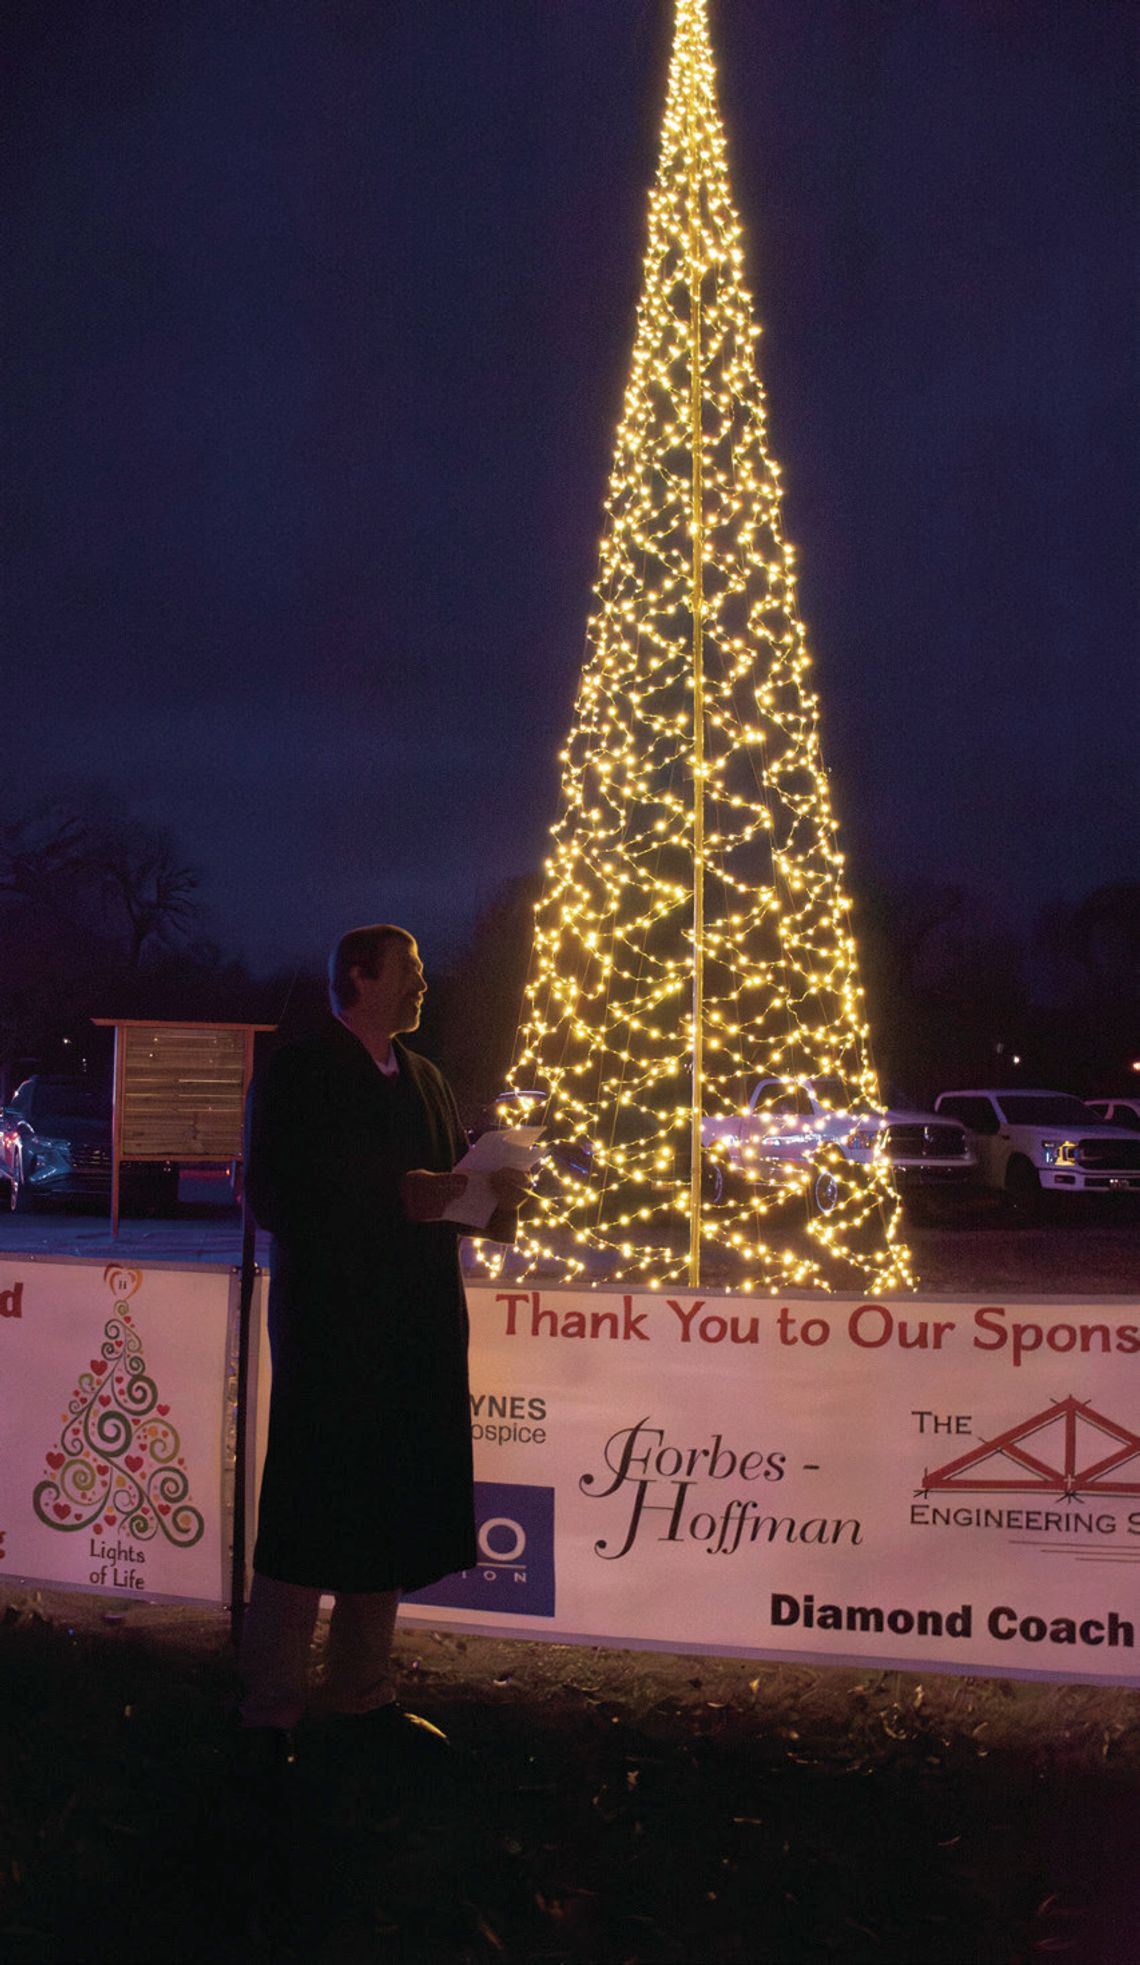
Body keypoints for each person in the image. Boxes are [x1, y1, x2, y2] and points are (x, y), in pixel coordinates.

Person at [238, 921, 525, 1747]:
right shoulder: (297, 1073)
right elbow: (274, 1193)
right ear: (361, 977)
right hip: (333, 1336)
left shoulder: (429, 1079)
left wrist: (491, 1192)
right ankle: (273, 1703)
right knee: (308, 1509)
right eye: (413, 969)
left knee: (390, 1506)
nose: (425, 983)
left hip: (416, 1332)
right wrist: (395, 1194)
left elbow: (445, 1193)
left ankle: (361, 1689)